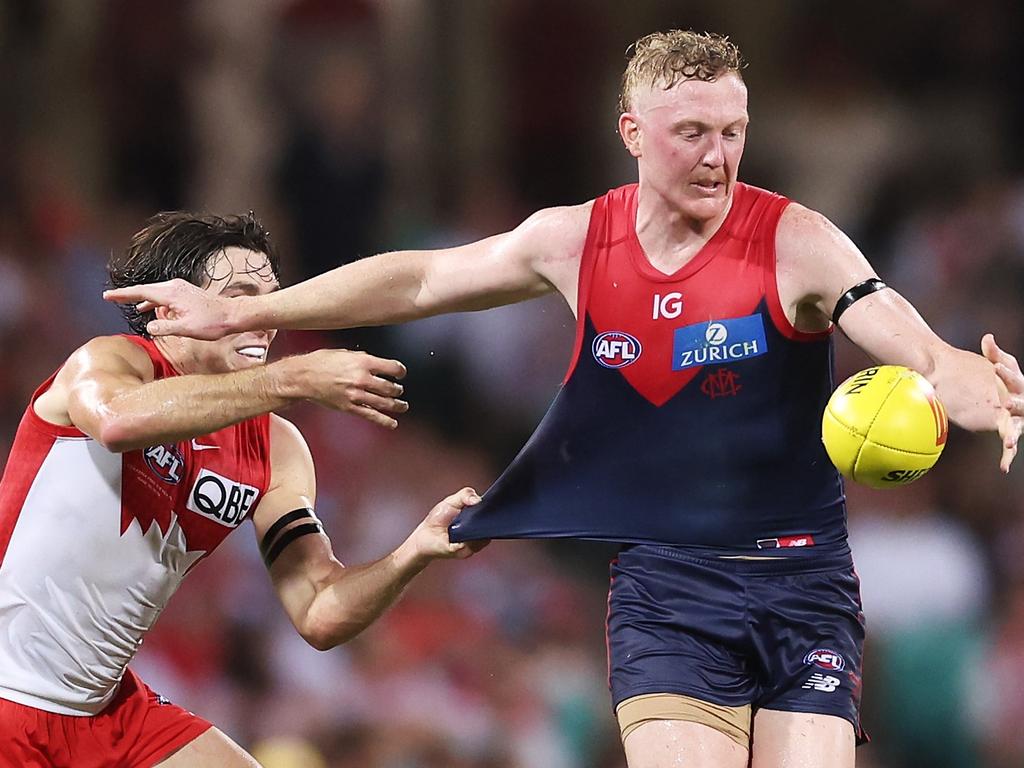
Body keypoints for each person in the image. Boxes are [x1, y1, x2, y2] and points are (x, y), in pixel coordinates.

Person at [104, 32, 1024, 768]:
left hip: (804, 582)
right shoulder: (573, 242)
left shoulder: (797, 241)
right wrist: (252, 312)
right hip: (669, 589)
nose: (718, 156)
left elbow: (905, 332)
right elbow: (422, 280)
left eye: (732, 130)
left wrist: (968, 382)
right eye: (691, 133)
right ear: (632, 134)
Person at [0, 211, 485, 768]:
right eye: (238, 296)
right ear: (167, 310)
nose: (261, 317)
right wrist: (293, 378)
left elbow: (320, 610)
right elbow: (115, 421)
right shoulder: (109, 361)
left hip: (108, 713)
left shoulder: (276, 447)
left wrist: (413, 552)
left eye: (269, 299)